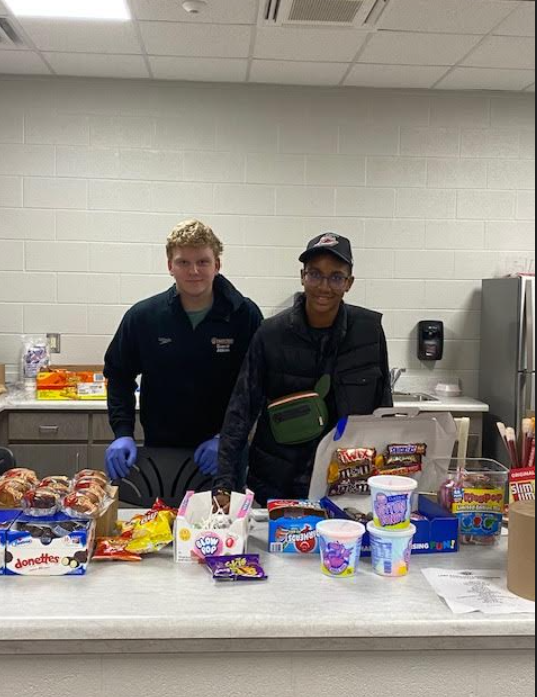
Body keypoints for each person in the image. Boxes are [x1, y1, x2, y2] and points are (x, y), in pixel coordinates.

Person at [213, 233, 393, 507]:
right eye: (315, 274)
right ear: (302, 276)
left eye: (336, 277)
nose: (324, 286)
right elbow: (241, 408)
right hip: (278, 483)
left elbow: (384, 409)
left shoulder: (369, 332)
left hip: (348, 481)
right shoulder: (270, 334)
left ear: (349, 283)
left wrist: (388, 481)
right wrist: (223, 484)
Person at [103, 220, 263, 481]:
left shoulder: (244, 316)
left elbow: (256, 385)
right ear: (170, 266)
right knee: (161, 509)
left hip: (224, 454)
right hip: (162, 452)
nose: (194, 271)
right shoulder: (144, 317)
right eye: (183, 262)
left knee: (223, 510)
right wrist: (122, 433)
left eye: (203, 262)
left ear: (217, 265)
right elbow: (118, 375)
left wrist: (226, 437)